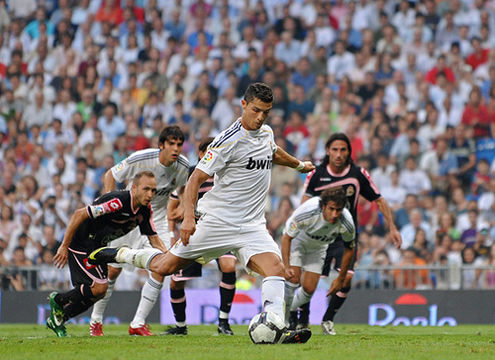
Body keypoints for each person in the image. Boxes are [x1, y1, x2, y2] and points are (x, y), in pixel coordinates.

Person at [89, 83, 315, 344]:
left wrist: (298, 165)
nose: (261, 117)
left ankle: (278, 325)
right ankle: (122, 254)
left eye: (266, 112)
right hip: (217, 223)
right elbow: (195, 179)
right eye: (256, 110)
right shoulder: (226, 141)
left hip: (252, 225)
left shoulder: (265, 133)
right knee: (164, 267)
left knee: (275, 269)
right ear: (243, 105)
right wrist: (187, 217)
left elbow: (273, 151)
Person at [297, 133, 402, 335]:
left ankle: (328, 320)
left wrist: (392, 227)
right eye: (334, 149)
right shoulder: (317, 174)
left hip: (346, 237)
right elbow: (305, 204)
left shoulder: (357, 174)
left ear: (348, 152)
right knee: (308, 284)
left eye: (343, 150)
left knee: (346, 280)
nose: (338, 154)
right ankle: (303, 320)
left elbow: (378, 199)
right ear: (328, 151)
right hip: (319, 237)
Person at [89, 126, 189, 336]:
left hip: (157, 220)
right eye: (171, 144)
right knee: (113, 270)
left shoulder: (182, 167)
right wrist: (109, 204)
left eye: (179, 144)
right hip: (129, 218)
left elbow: (185, 189)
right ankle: (96, 321)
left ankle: (137, 323)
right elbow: (111, 174)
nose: (176, 149)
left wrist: (182, 206)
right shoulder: (141, 158)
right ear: (161, 145)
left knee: (162, 267)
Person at [47, 171, 159, 338]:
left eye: (153, 190)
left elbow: (154, 238)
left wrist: (169, 256)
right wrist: (64, 245)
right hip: (81, 242)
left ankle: (58, 320)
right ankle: (58, 300)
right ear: (134, 188)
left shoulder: (144, 210)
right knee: (99, 287)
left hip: (98, 245)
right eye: (146, 189)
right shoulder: (117, 202)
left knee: (99, 292)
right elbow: (79, 213)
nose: (150, 194)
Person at [163, 137, 237, 336]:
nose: (210, 155)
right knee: (176, 282)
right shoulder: (190, 175)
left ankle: (223, 323)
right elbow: (172, 212)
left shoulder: (226, 173)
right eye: (206, 152)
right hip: (195, 233)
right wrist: (172, 233)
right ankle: (180, 327)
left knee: (229, 266)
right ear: (200, 154)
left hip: (221, 231)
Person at [282, 187, 356, 334]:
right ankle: (285, 322)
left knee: (309, 289)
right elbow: (287, 237)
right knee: (293, 279)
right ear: (323, 206)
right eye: (331, 209)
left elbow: (350, 248)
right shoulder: (307, 212)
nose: (335, 214)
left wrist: (341, 278)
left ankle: (290, 310)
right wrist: (286, 265)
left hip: (319, 248)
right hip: (298, 242)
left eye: (339, 210)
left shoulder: (347, 222)